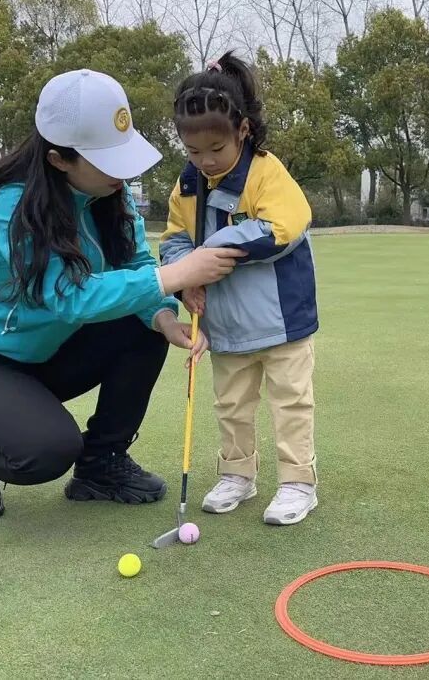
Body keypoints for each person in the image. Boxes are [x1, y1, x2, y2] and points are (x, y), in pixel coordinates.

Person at [0, 69, 245, 523]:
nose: (123, 172)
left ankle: (101, 466)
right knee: (47, 451)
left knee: (143, 325)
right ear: (58, 159)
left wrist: (164, 318)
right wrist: (176, 275)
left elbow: (136, 263)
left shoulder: (111, 193)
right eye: (108, 160)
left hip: (44, 355)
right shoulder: (10, 204)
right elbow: (68, 297)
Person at [161, 52, 320, 526]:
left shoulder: (267, 172)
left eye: (216, 148)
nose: (205, 161)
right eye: (194, 151)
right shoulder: (187, 185)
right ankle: (237, 474)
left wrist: (210, 250)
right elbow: (173, 240)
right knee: (231, 405)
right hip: (226, 323)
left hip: (282, 318)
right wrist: (185, 281)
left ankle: (298, 482)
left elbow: (282, 228)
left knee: (291, 403)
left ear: (242, 131)